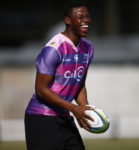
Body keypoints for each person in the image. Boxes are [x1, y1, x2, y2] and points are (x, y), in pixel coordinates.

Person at [24, 1, 94, 150]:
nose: (86, 21)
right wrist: (74, 109)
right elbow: (41, 90)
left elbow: (79, 83)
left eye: (87, 17)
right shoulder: (53, 49)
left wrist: (85, 109)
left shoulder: (88, 48)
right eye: (81, 17)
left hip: (64, 115)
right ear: (68, 20)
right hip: (41, 118)